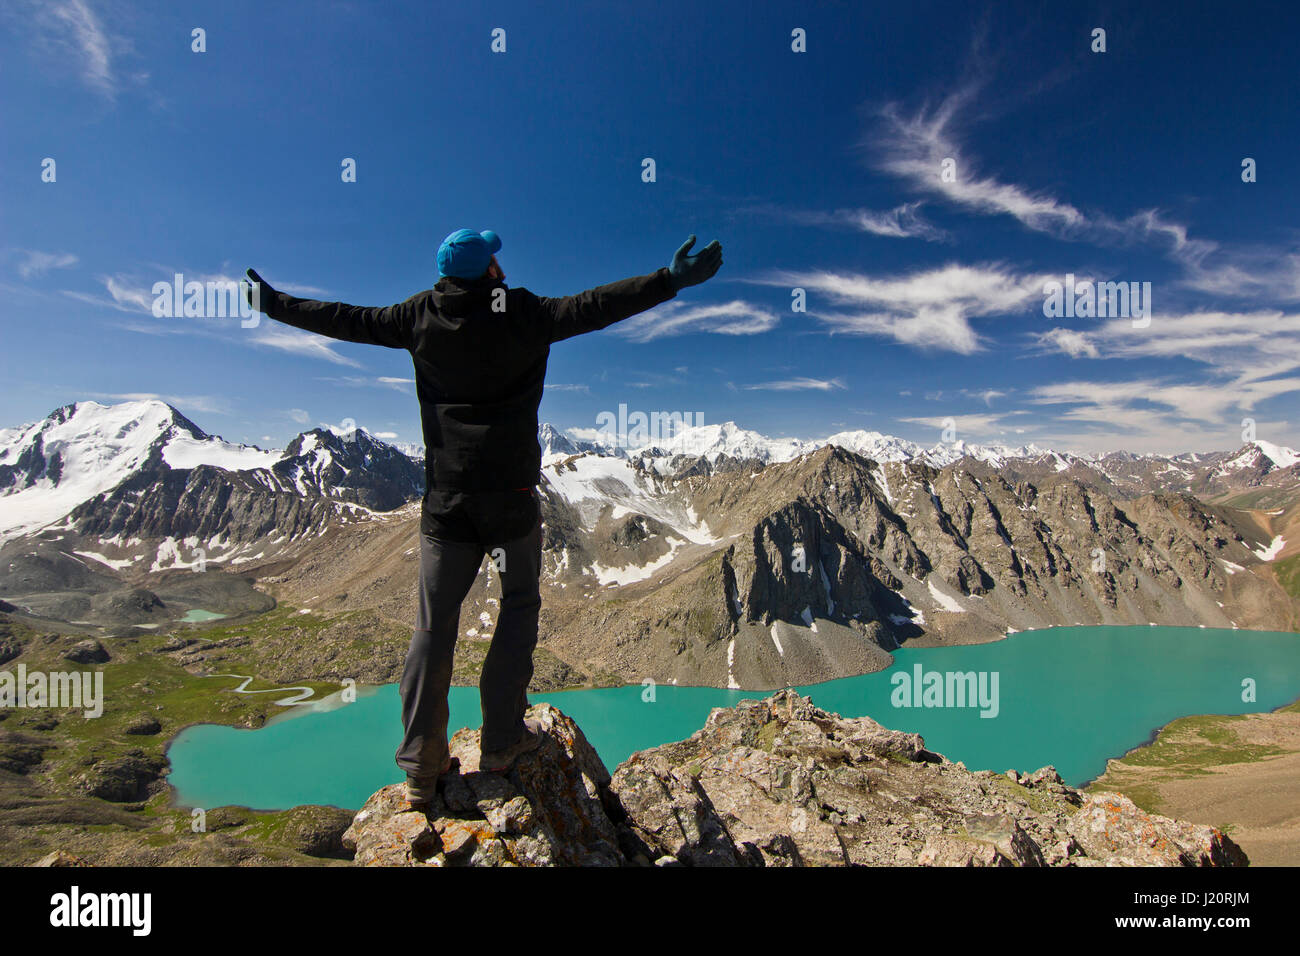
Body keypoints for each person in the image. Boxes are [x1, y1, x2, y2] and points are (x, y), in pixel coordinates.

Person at [242, 229, 723, 804]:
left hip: (447, 504)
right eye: (494, 258)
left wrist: (275, 306)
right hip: (512, 501)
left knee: (432, 628)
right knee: (518, 606)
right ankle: (500, 740)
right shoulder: (522, 311)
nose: (500, 264)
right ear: (486, 269)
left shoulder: (416, 316)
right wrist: (668, 281)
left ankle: (422, 765)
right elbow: (596, 306)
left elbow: (346, 319)